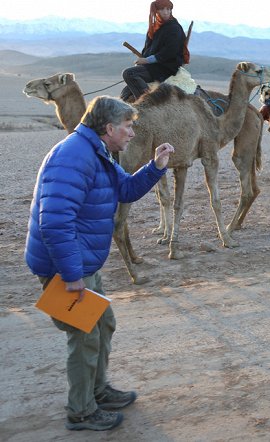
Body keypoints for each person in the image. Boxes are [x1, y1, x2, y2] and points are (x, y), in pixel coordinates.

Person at [25, 96, 173, 431]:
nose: (132, 133)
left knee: (103, 324)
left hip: (81, 261)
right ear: (109, 128)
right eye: (128, 126)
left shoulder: (97, 152)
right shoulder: (73, 157)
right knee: (84, 334)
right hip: (65, 266)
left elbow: (125, 190)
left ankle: (97, 390)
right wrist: (72, 274)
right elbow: (55, 221)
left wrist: (155, 167)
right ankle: (81, 410)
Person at [120, 0, 189, 102]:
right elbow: (147, 49)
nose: (166, 12)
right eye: (162, 9)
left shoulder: (174, 28)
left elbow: (170, 52)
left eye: (168, 9)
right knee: (124, 94)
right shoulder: (154, 28)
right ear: (156, 11)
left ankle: (149, 103)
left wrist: (147, 60)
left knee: (129, 74)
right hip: (152, 67)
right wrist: (142, 62)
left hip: (165, 68)